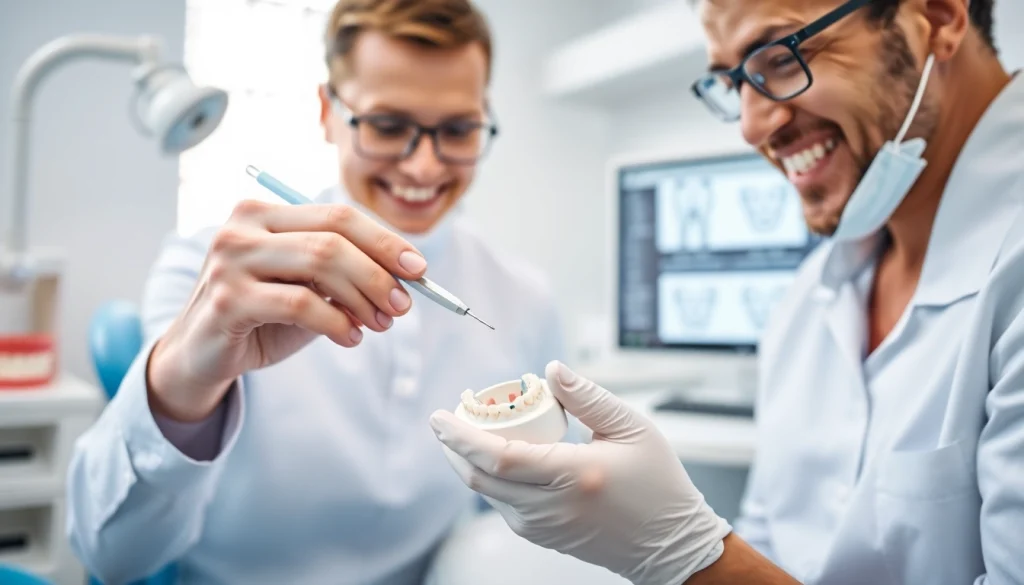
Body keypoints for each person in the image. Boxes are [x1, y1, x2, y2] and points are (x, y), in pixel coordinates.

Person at [431, 0, 1024, 583]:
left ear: (940, 16)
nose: (751, 125)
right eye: (731, 81)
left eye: (783, 56)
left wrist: (688, 556)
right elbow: (775, 547)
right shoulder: (808, 302)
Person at [65, 1, 564, 583]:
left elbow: (533, 511)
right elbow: (112, 557)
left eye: (457, 130)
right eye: (387, 125)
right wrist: (182, 381)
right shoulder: (212, 272)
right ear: (329, 112)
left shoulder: (525, 299)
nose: (424, 166)